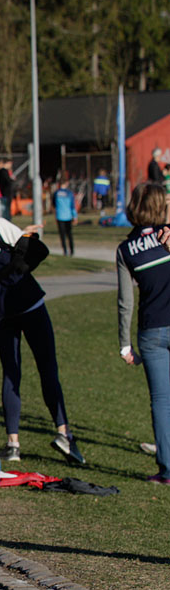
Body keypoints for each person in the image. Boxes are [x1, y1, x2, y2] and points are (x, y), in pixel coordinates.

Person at [0, 182, 83, 465]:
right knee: (47, 367)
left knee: (11, 372)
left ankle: (13, 443)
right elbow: (27, 248)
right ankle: (63, 432)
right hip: (27, 301)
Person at [117, 182, 170, 483]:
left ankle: (167, 469)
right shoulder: (168, 235)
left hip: (151, 331)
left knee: (161, 401)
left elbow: (125, 301)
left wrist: (124, 345)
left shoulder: (126, 249)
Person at [52, 179, 77, 256]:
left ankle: (65, 251)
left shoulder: (56, 193)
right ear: (66, 183)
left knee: (62, 235)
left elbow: (54, 204)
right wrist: (75, 216)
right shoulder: (69, 193)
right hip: (68, 216)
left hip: (60, 216)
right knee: (69, 234)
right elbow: (72, 206)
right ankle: (72, 250)